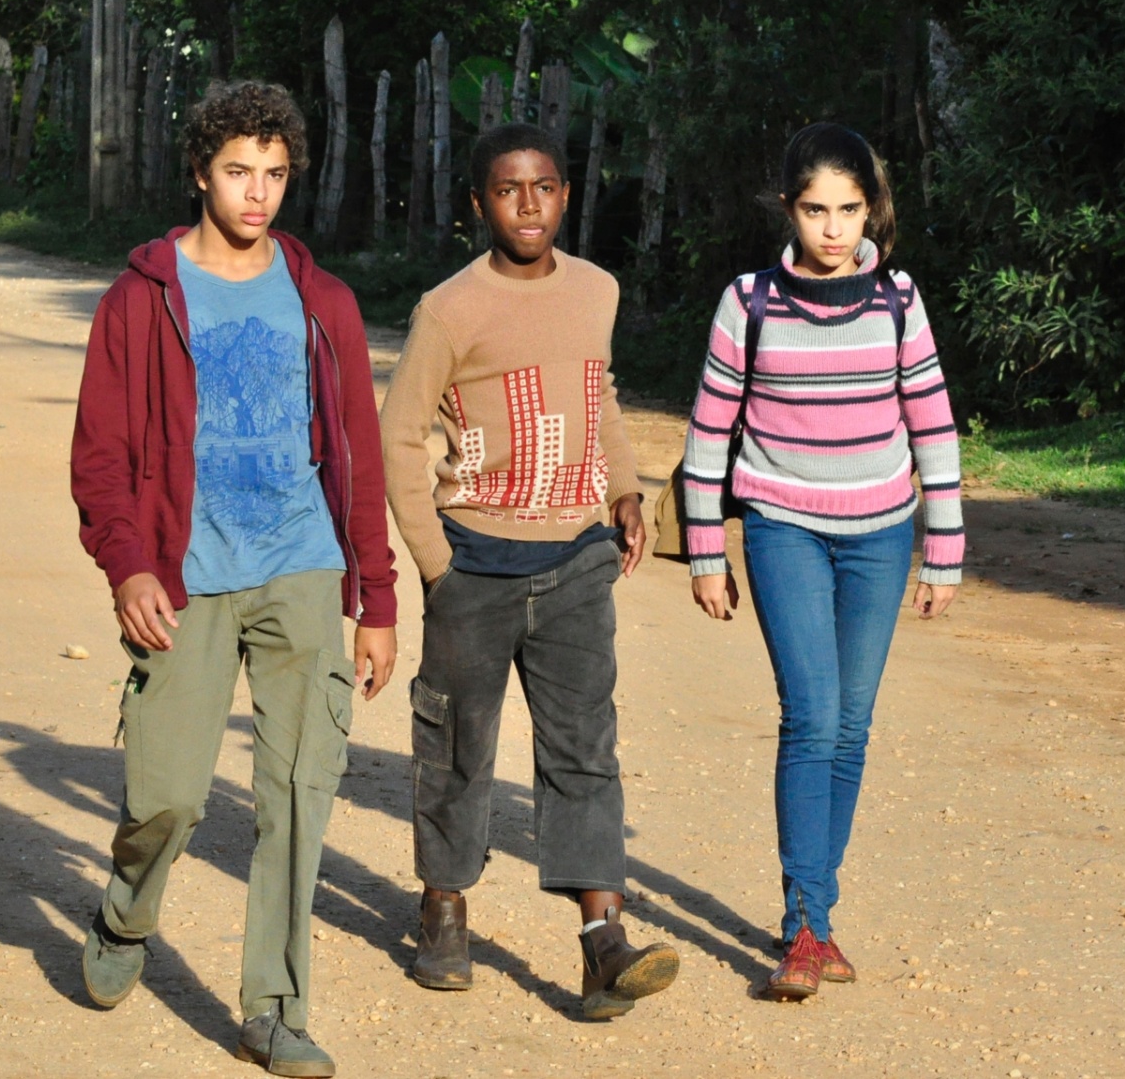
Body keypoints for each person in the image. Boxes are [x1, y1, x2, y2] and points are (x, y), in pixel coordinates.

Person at [69, 80, 398, 1078]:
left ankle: (274, 1010)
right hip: (186, 574)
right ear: (201, 173)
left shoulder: (323, 302)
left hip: (301, 564)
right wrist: (127, 564)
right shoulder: (142, 296)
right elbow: (99, 453)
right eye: (238, 173)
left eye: (275, 175)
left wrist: (376, 599)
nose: (257, 194)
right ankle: (128, 911)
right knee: (167, 795)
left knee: (301, 792)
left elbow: (361, 456)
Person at [377, 122, 679, 1020]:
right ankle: (443, 906)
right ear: (479, 203)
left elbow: (602, 393)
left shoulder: (596, 289)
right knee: (459, 747)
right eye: (508, 190)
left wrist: (623, 492)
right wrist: (438, 566)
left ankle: (602, 940)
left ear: (566, 194)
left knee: (585, 748)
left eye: (544, 187)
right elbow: (398, 438)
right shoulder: (449, 309)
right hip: (477, 561)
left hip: (579, 560)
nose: (529, 205)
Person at [681, 122, 964, 1001]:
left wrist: (942, 552)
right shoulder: (749, 300)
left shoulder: (900, 300)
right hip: (781, 527)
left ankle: (815, 910)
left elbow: (933, 423)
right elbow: (708, 430)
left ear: (870, 208)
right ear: (787, 206)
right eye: (815, 209)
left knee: (852, 723)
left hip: (881, 530)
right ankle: (807, 923)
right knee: (810, 716)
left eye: (848, 209)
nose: (833, 228)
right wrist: (704, 548)